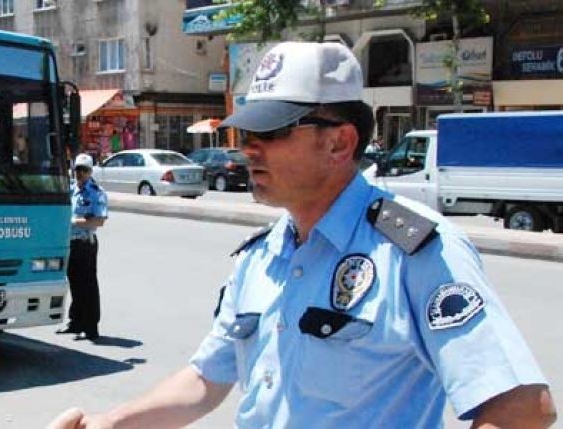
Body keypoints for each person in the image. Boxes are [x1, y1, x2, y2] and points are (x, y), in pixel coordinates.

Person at [50, 42, 555, 428]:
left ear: (340, 142)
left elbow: (522, 408)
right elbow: (206, 380)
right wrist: (110, 423)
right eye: (246, 135)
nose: (249, 150)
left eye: (270, 133)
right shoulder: (263, 254)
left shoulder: (415, 250)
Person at [56, 153, 108, 341]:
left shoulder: (96, 192)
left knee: (88, 285)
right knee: (74, 283)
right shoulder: (70, 190)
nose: (80, 173)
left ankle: (91, 326)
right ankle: (75, 322)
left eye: (84, 170)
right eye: (77, 169)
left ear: (90, 171)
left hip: (86, 243)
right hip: (69, 242)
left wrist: (74, 221)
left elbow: (99, 220)